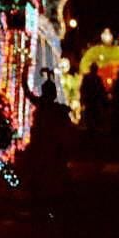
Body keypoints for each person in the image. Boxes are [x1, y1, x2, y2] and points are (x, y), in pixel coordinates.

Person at [22, 68, 74, 219]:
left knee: (47, 172)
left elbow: (26, 91)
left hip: (47, 145)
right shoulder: (53, 108)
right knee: (45, 172)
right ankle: (46, 201)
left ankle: (49, 202)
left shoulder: (53, 108)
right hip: (45, 145)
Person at [80, 63, 108, 134]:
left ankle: (93, 128)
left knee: (94, 115)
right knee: (91, 115)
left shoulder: (97, 78)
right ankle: (91, 128)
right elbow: (83, 89)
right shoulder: (89, 78)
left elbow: (101, 89)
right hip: (90, 100)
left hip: (94, 100)